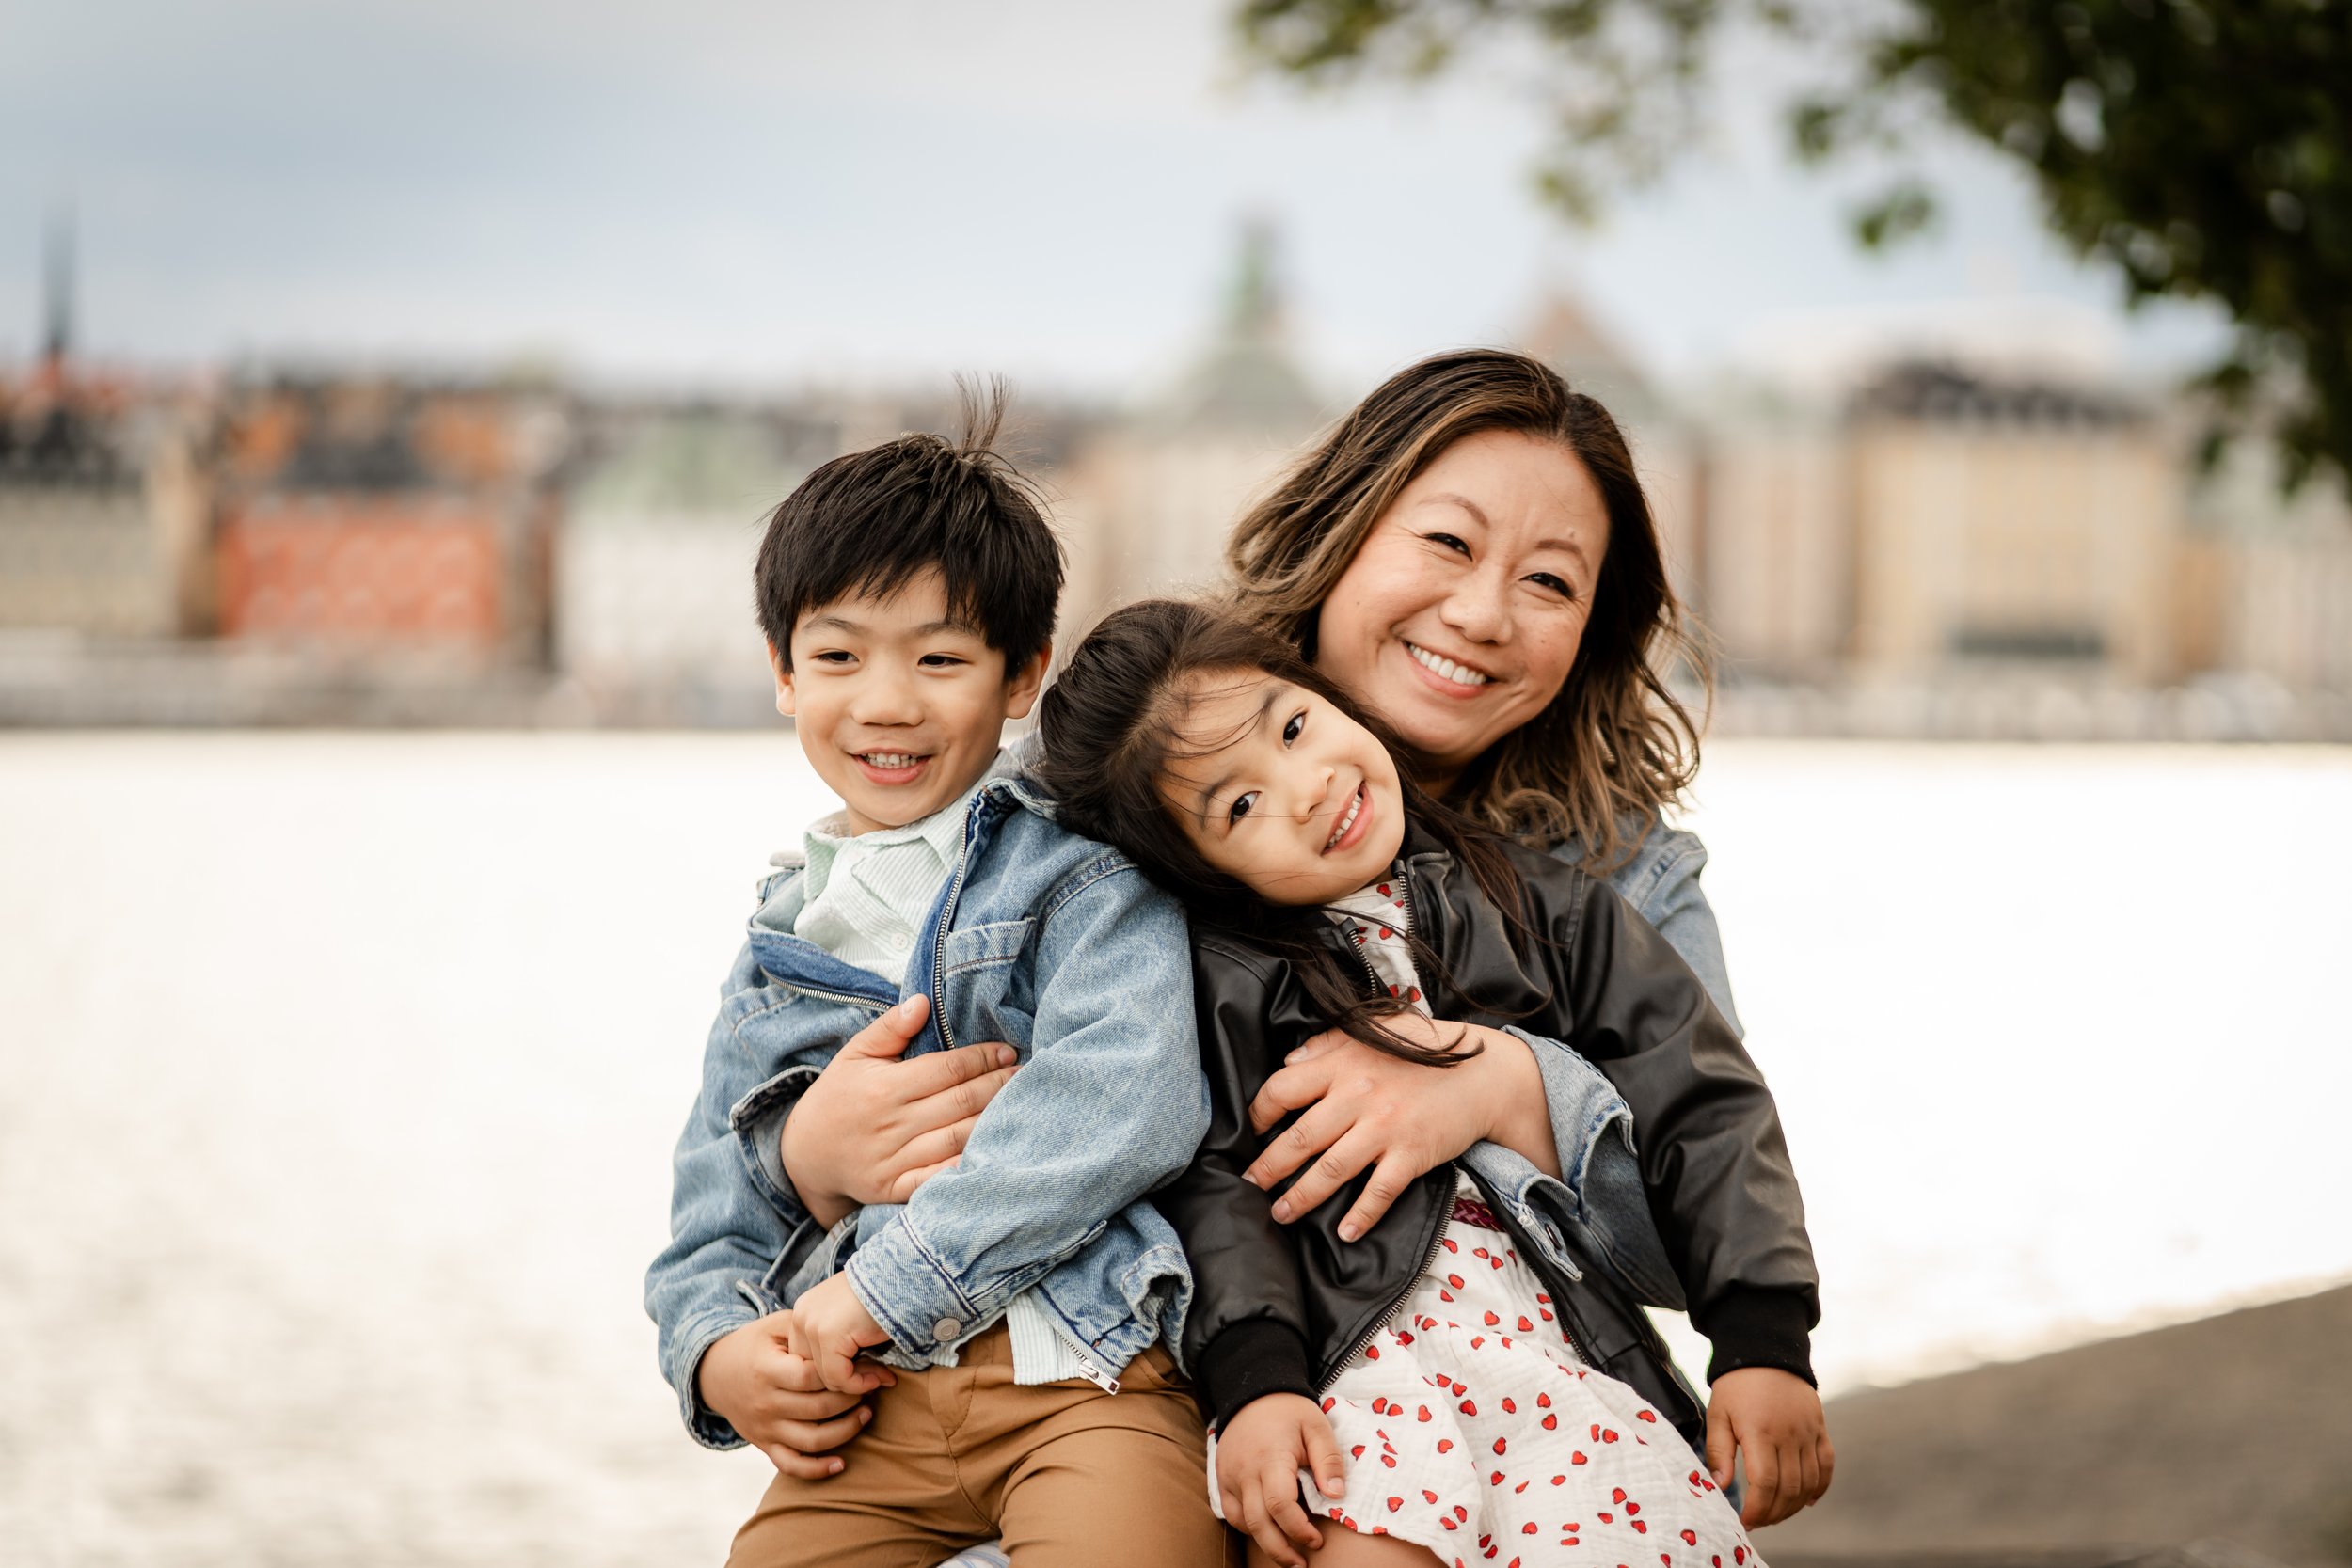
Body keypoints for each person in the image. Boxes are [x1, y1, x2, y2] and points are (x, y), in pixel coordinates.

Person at [773, 349, 1831, 1529]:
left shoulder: (1614, 878)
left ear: (1591, 627)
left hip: (1545, 1407)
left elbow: (1701, 1195)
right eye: (1445, 543)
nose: (1482, 613)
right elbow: (899, 1038)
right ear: (1344, 530)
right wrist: (802, 1152)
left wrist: (1505, 1082)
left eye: (1550, 581)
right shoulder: (1111, 798)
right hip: (1173, 1434)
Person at [1032, 597, 1816, 1568]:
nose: (1306, 786)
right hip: (1361, 1363)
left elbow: (1701, 1098)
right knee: (1362, 1532)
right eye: (1238, 805)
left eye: (1291, 725)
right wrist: (1258, 1381)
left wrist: (1760, 1335)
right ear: (1198, 869)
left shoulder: (1546, 907)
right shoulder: (1226, 985)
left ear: (1324, 693)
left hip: (1557, 1349)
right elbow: (1221, 1185)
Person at [642, 397, 1227, 1568]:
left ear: (1023, 677)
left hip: (1082, 1374)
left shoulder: (1078, 873)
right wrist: (720, 1357)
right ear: (782, 671)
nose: (887, 700)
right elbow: (711, 1211)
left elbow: (1128, 1100)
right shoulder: (778, 939)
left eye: (941, 657)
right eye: (839, 654)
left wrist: (887, 1288)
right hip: (872, 1420)